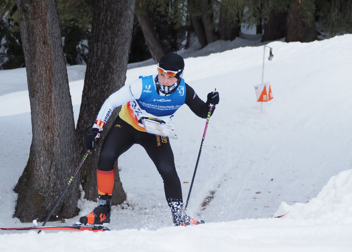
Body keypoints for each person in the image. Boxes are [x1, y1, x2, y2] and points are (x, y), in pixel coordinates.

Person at [79, 53, 220, 226]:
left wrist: (211, 103)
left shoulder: (184, 91)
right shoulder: (142, 86)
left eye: (170, 76)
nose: (164, 80)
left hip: (155, 132)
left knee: (167, 169)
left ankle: (179, 216)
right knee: (106, 156)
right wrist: (96, 129)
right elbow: (111, 101)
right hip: (128, 125)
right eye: (161, 74)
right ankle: (102, 210)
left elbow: (203, 112)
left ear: (179, 76)